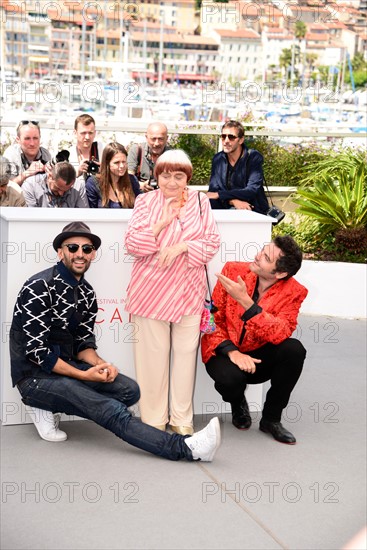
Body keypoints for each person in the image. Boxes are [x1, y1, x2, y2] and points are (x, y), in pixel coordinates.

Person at [9, 221, 221, 462]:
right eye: (73, 247)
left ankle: (60, 403)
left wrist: (100, 365)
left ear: (93, 254)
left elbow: (82, 344)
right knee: (109, 408)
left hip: (66, 370)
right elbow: (37, 353)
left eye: (87, 249)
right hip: (35, 377)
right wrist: (84, 376)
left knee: (128, 390)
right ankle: (187, 448)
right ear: (60, 252)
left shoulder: (86, 292)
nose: (80, 254)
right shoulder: (39, 286)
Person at [124, 150, 221, 435]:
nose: (172, 182)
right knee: (152, 360)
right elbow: (131, 244)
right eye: (166, 175)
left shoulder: (201, 202)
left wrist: (183, 247)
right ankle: (153, 422)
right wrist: (162, 223)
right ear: (157, 176)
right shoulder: (145, 201)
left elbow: (211, 241)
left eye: (179, 176)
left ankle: (182, 420)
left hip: (189, 293)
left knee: (185, 359)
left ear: (187, 178)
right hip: (149, 293)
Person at [201, 236, 308, 444]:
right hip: (223, 350)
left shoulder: (295, 292)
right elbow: (213, 320)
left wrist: (246, 303)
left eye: (266, 257)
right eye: (263, 250)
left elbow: (280, 332)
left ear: (280, 273)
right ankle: (237, 400)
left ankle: (271, 419)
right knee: (230, 380)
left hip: (259, 357)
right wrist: (232, 352)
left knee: (294, 350)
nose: (258, 256)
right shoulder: (233, 271)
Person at [206, 120, 269, 214]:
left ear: (241, 140)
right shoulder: (218, 159)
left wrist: (220, 194)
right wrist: (234, 201)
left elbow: (251, 190)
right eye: (223, 137)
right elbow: (212, 192)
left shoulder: (253, 157)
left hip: (253, 210)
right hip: (225, 209)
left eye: (231, 137)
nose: (226, 141)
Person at [85, 143, 141, 208]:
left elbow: (140, 207)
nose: (122, 166)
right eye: (117, 162)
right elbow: (90, 212)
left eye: (124, 162)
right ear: (107, 164)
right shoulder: (93, 183)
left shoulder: (132, 180)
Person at [3, 120, 52, 187]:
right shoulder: (11, 154)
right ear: (18, 140)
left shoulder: (45, 154)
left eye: (35, 138)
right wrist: (27, 173)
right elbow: (5, 187)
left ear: (40, 138)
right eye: (27, 138)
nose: (32, 143)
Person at [21, 161, 89, 208]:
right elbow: (30, 219)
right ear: (50, 176)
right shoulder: (30, 186)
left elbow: (83, 218)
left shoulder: (78, 186)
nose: (61, 193)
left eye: (67, 190)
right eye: (58, 188)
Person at [127, 121, 170, 192]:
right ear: (146, 137)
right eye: (153, 139)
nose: (157, 143)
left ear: (166, 138)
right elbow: (128, 178)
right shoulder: (137, 150)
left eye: (161, 139)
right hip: (139, 197)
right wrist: (141, 185)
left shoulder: (172, 155)